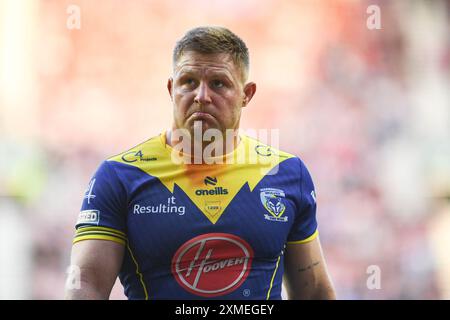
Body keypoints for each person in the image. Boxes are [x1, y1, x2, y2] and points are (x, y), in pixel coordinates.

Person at [65, 26, 336, 300]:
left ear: (247, 94)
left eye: (218, 83)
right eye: (189, 82)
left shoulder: (287, 173)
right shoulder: (120, 176)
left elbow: (314, 291)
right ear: (171, 89)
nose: (202, 96)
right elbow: (86, 284)